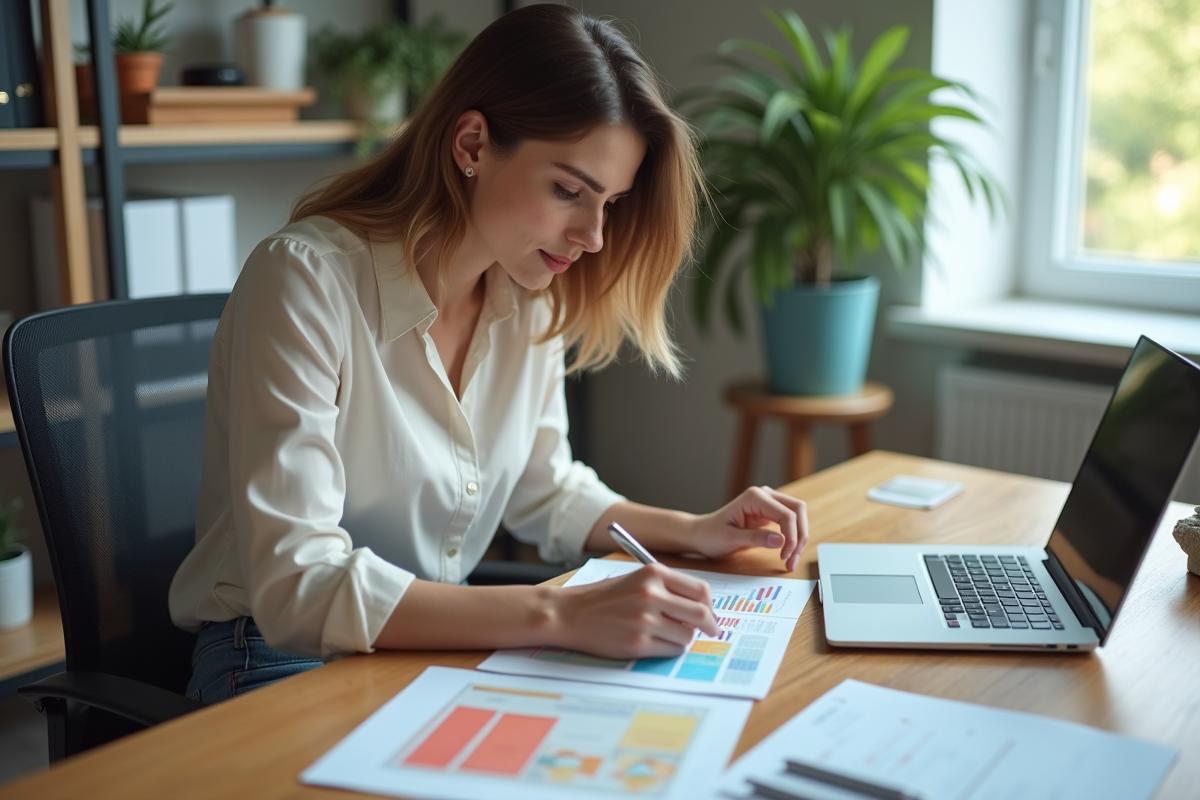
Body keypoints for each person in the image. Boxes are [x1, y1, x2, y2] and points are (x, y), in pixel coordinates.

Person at [169, 4, 808, 705]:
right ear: (471, 143)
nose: (594, 236)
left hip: (430, 641)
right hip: (275, 654)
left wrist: (694, 528)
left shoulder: (527, 292)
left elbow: (545, 488)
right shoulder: (304, 279)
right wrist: (558, 614)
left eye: (612, 203)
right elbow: (298, 588)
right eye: (569, 190)